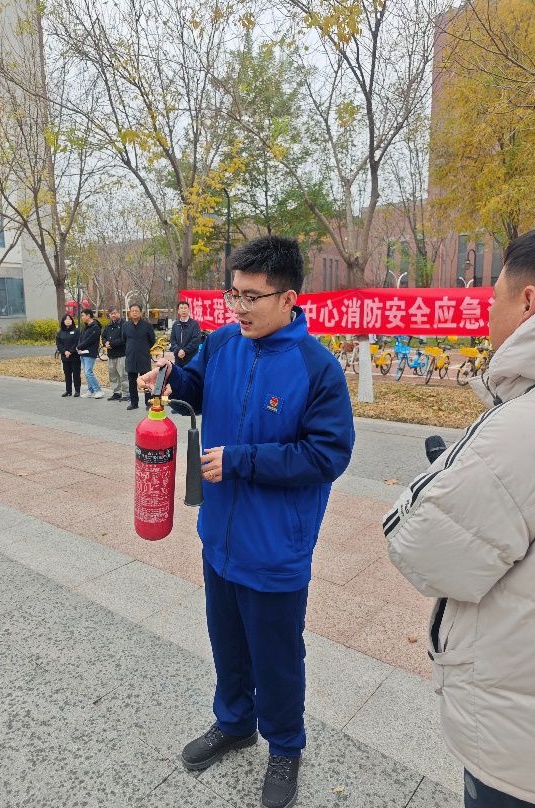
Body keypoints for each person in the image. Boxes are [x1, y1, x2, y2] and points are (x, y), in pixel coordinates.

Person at [139, 235, 354, 808]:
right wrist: (169, 380)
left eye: (251, 297)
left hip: (276, 548)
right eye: (232, 294)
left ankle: (285, 746)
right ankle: (234, 723)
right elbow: (197, 387)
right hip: (220, 536)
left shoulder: (318, 369)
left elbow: (327, 455)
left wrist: (241, 461)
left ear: (288, 299)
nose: (238, 307)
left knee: (276, 656)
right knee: (227, 642)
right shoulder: (223, 343)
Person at [383, 226, 535, 808]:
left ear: (529, 302)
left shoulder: (525, 425)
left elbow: (422, 547)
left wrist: (440, 478)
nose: (487, 312)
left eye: (494, 296)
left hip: (522, 747)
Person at [123, 302, 155, 411]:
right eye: (132, 311)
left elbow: (152, 341)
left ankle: (148, 403)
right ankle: (134, 403)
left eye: (136, 311)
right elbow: (124, 339)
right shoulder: (126, 325)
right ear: (130, 313)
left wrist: (143, 348)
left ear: (140, 313)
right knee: (132, 382)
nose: (134, 313)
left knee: (146, 382)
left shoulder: (147, 326)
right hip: (131, 357)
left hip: (143, 357)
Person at [102, 306, 128, 401]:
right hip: (111, 355)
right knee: (113, 375)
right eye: (111, 313)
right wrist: (105, 343)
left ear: (119, 313)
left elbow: (123, 338)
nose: (113, 315)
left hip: (122, 354)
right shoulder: (108, 326)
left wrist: (111, 344)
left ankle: (126, 394)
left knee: (124, 375)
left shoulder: (124, 324)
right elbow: (103, 336)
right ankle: (117, 393)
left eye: (115, 313)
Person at [77, 308, 103, 399]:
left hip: (90, 353)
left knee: (88, 372)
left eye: (83, 315)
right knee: (86, 372)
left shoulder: (95, 327)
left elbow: (90, 340)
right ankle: (90, 390)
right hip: (82, 353)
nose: (82, 317)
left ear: (88, 316)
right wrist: (78, 347)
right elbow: (81, 338)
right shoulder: (85, 326)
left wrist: (80, 347)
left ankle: (98, 390)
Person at [55, 314, 81, 397]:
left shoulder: (76, 331)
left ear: (72, 321)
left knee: (76, 374)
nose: (68, 321)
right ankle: (68, 391)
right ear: (63, 321)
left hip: (75, 356)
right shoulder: (60, 332)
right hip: (65, 357)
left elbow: (77, 342)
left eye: (69, 319)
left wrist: (70, 351)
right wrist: (64, 352)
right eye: (66, 319)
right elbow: (58, 344)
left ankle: (77, 391)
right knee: (67, 374)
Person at [169, 300, 201, 366]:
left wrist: (184, 351)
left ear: (189, 310)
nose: (183, 310)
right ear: (178, 311)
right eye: (181, 308)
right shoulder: (175, 324)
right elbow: (172, 340)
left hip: (191, 358)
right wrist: (178, 350)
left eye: (185, 308)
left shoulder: (194, 324)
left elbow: (196, 340)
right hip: (178, 358)